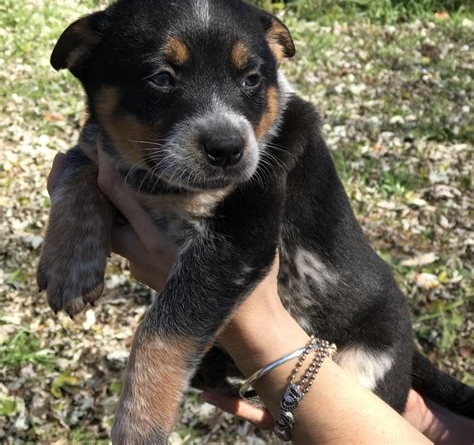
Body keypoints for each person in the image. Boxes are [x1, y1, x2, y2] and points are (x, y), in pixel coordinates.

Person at [48, 150, 473, 444]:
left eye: (250, 80)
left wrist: (266, 344)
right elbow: (91, 156)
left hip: (362, 333)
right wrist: (77, 208)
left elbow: (232, 248)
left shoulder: (278, 136)